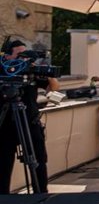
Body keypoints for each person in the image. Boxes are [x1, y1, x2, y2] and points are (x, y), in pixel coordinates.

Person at [0, 40, 59, 194]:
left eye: (25, 55)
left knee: (39, 160)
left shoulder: (30, 71)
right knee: (4, 163)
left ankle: (40, 193)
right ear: (7, 56)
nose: (23, 59)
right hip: (6, 124)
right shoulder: (2, 71)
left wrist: (41, 70)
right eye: (19, 55)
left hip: (30, 122)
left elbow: (53, 87)